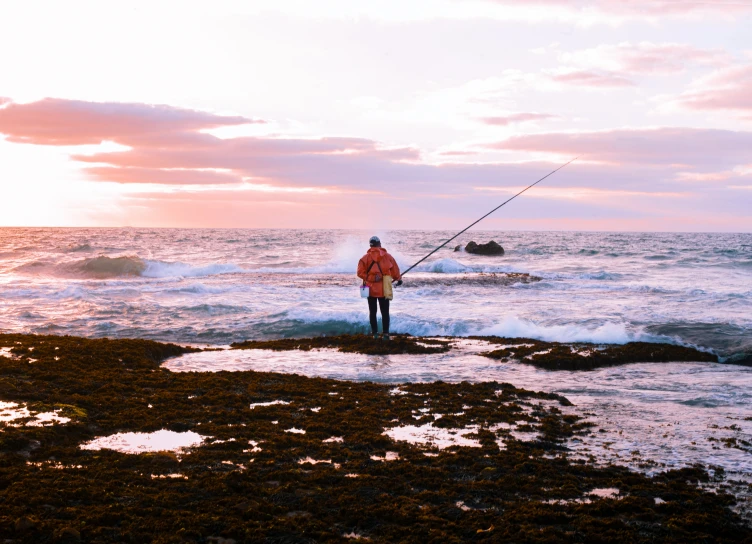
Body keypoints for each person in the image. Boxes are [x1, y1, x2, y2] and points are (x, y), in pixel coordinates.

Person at [357, 236, 402, 340]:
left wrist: (371, 277)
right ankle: (386, 334)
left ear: (370, 245)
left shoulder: (365, 258)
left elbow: (359, 273)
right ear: (379, 244)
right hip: (384, 289)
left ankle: (375, 334)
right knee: (385, 312)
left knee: (372, 312)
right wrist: (398, 279)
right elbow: (395, 270)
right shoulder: (388, 257)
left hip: (371, 289)